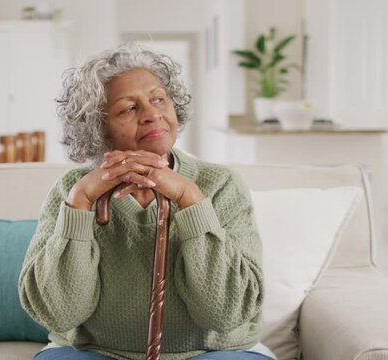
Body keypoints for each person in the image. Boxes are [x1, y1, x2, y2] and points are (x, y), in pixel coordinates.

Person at [18, 44, 274, 360]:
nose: (152, 115)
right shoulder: (72, 190)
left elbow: (224, 314)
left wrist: (190, 198)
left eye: (158, 99)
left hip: (210, 352)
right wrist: (81, 202)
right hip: (96, 353)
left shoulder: (221, 184)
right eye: (129, 108)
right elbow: (59, 314)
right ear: (98, 127)